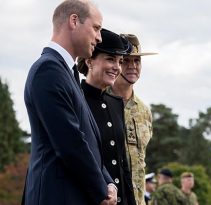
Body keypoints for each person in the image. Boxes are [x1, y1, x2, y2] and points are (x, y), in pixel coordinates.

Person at [23, 1, 118, 204]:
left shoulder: (67, 72)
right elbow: (70, 142)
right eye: (96, 28)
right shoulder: (48, 70)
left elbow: (88, 140)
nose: (99, 37)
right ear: (74, 21)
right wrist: (101, 191)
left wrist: (109, 184)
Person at [77, 28, 136, 205]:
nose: (117, 67)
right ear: (90, 61)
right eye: (110, 59)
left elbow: (122, 165)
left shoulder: (115, 104)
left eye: (119, 61)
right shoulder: (76, 100)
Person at [108, 33, 157, 205]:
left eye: (137, 61)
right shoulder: (97, 103)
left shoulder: (144, 111)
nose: (132, 66)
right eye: (126, 60)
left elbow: (141, 161)